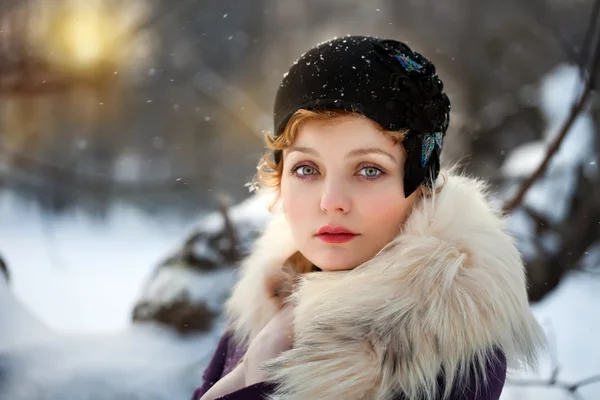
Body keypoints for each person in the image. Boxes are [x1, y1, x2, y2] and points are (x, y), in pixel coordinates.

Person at [192, 35, 546, 400]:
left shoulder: (445, 356)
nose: (332, 202)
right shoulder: (266, 303)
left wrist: (254, 381)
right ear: (279, 178)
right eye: (306, 169)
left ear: (418, 187)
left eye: (369, 170)